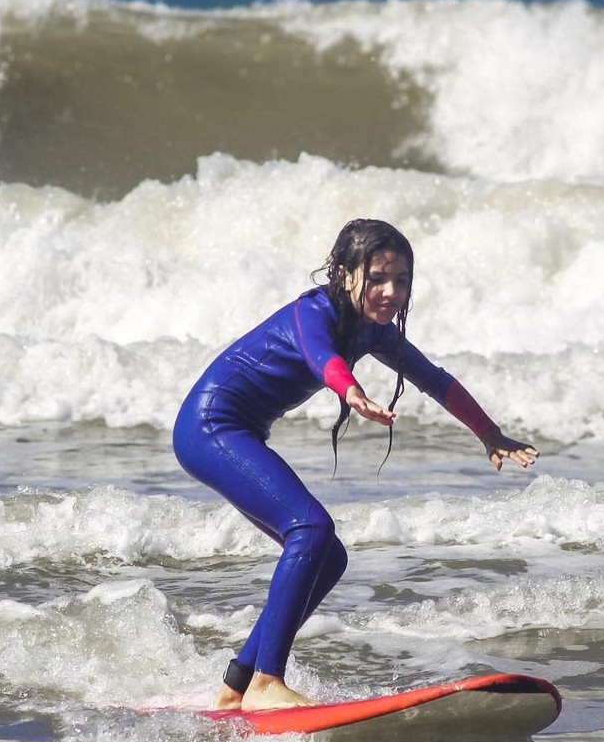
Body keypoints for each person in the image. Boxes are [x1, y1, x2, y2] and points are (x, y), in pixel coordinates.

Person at [173, 219, 539, 711]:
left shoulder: (373, 331)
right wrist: (350, 391)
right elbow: (322, 357)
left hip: (235, 430)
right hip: (209, 427)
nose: (391, 292)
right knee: (310, 528)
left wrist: (489, 434)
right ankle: (266, 683)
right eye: (378, 279)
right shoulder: (313, 312)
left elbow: (435, 379)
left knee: (329, 555)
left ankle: (236, 686)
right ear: (345, 274)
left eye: (402, 280)